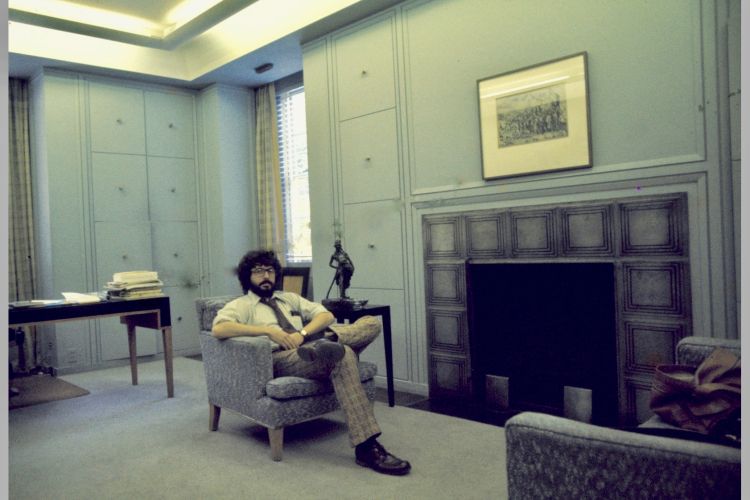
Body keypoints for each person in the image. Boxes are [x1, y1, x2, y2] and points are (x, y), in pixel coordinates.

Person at [211, 249, 411, 476]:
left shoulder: (289, 298)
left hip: (308, 348)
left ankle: (329, 342)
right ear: (247, 276)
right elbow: (219, 328)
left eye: (269, 270)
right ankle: (367, 447)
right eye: (258, 271)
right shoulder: (242, 304)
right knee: (343, 353)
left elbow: (326, 316)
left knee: (370, 323)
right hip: (281, 357)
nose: (265, 276)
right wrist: (267, 331)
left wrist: (303, 334)